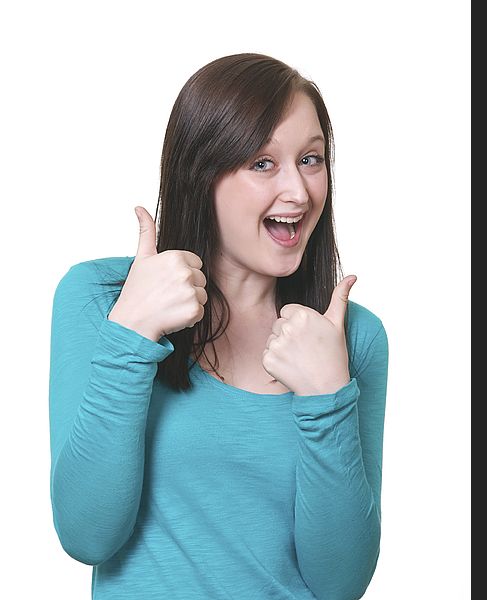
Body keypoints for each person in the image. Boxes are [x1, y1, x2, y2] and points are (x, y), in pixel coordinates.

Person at [48, 52, 389, 600]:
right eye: (262, 163)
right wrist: (131, 338)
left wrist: (327, 397)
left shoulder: (350, 337)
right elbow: (87, 535)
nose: (299, 193)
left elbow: (340, 583)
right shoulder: (99, 298)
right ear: (200, 173)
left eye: (311, 159)